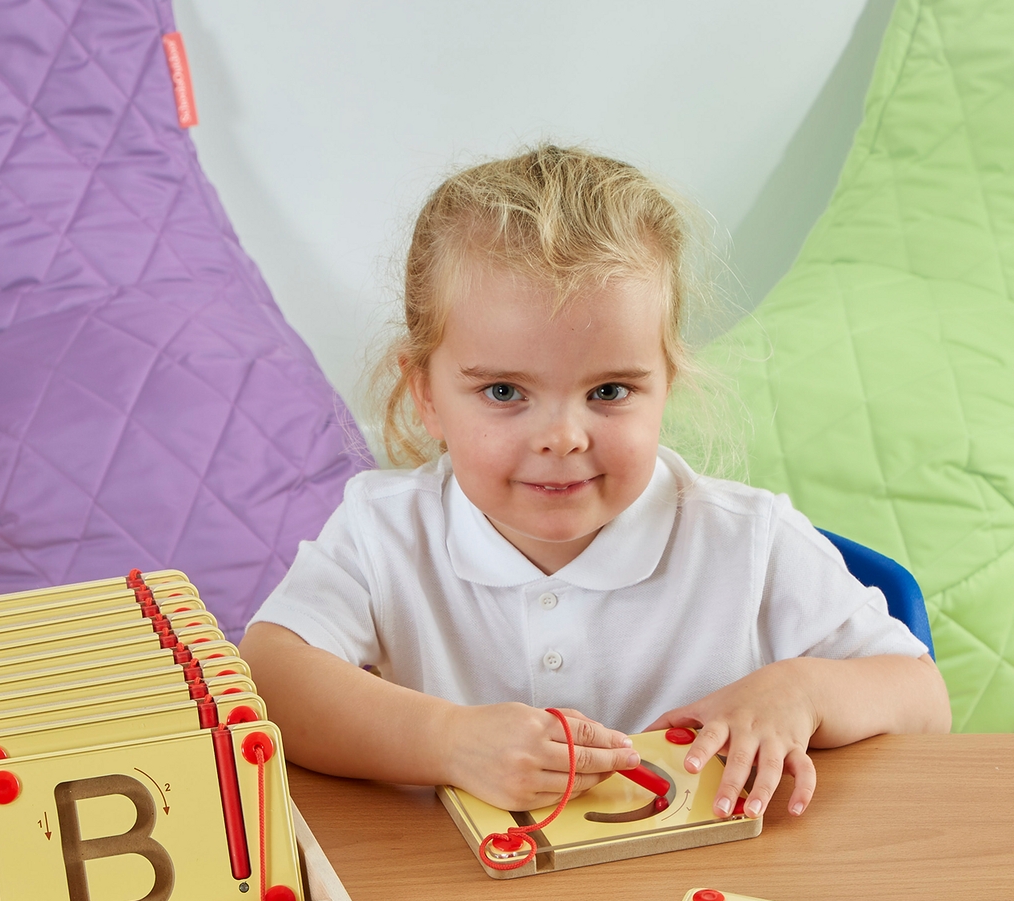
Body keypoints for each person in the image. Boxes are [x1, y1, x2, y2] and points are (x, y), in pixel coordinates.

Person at [241, 145, 950, 820]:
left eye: (609, 391)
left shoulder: (749, 541)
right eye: (503, 392)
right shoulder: (382, 532)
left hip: (704, 898)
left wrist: (803, 690)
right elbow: (270, 673)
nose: (563, 436)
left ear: (666, 385)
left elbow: (923, 699)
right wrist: (448, 742)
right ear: (425, 393)